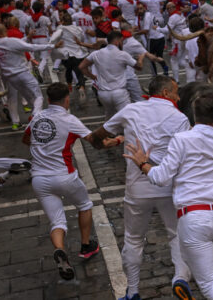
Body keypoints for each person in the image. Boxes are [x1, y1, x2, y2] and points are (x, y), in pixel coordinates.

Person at [87, 76, 194, 300]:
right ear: (165, 93)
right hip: (167, 187)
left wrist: (109, 143)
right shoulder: (180, 118)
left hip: (137, 189)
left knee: (134, 239)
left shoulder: (131, 110)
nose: (178, 97)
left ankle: (133, 291)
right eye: (175, 92)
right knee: (176, 235)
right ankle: (179, 278)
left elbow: (97, 136)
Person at [123, 93, 213, 300]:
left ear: (194, 115)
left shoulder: (181, 140)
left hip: (195, 218)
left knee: (210, 285)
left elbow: (161, 177)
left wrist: (142, 163)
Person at [22, 83, 121, 281]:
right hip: (64, 176)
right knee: (84, 205)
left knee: (57, 221)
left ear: (48, 99)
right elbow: (96, 143)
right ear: (67, 99)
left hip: (40, 179)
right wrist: (117, 140)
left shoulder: (37, 118)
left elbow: (26, 140)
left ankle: (60, 250)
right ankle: (86, 245)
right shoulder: (70, 120)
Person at [0, 24, 62, 130]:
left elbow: (17, 44)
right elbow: (31, 47)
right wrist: (53, 46)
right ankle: (35, 116)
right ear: (5, 32)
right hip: (22, 73)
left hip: (10, 77)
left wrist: (28, 37)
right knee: (38, 96)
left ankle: (19, 121)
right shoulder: (11, 41)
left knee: (26, 98)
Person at [79, 31, 143, 120]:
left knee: (109, 117)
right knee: (128, 117)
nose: (122, 43)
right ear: (117, 42)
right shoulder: (123, 54)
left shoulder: (96, 53)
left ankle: (109, 133)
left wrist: (92, 76)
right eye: (121, 41)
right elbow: (139, 67)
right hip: (119, 93)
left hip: (103, 94)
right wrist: (140, 59)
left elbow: (82, 66)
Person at [49, 11, 88, 101]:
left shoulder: (60, 28)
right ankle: (82, 87)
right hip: (78, 54)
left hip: (66, 54)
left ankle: (69, 86)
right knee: (79, 73)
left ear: (63, 21)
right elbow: (82, 38)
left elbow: (53, 38)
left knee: (68, 70)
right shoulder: (78, 28)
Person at [27, 1, 53, 79]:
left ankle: (33, 73)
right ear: (41, 9)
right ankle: (40, 70)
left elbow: (26, 28)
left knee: (33, 57)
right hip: (43, 39)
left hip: (34, 39)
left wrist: (29, 37)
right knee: (45, 57)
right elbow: (50, 30)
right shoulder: (45, 18)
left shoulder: (29, 18)